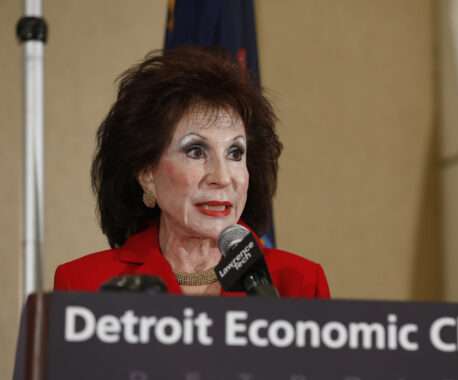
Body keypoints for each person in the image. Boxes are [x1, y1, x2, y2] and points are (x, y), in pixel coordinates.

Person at [54, 47, 330, 298]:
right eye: (196, 151)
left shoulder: (299, 284)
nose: (222, 177)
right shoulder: (85, 285)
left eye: (235, 153)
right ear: (147, 174)